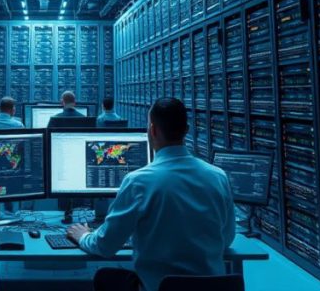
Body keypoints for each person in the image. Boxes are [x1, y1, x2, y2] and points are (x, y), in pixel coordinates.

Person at [65, 97, 236, 291]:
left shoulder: (138, 181)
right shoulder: (218, 177)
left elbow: (105, 246)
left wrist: (83, 235)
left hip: (159, 288)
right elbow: (227, 238)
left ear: (152, 130)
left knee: (106, 277)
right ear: (186, 130)